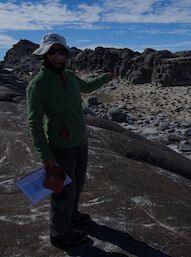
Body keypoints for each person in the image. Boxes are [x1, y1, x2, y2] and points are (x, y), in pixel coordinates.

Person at [26, 32, 113, 249]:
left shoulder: (70, 76)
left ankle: (72, 217)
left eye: (61, 51)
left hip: (80, 142)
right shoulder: (38, 84)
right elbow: (34, 123)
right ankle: (60, 234)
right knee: (62, 191)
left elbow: (87, 87)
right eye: (52, 52)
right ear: (44, 54)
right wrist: (46, 156)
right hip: (60, 147)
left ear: (66, 54)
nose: (57, 56)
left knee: (77, 184)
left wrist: (105, 78)